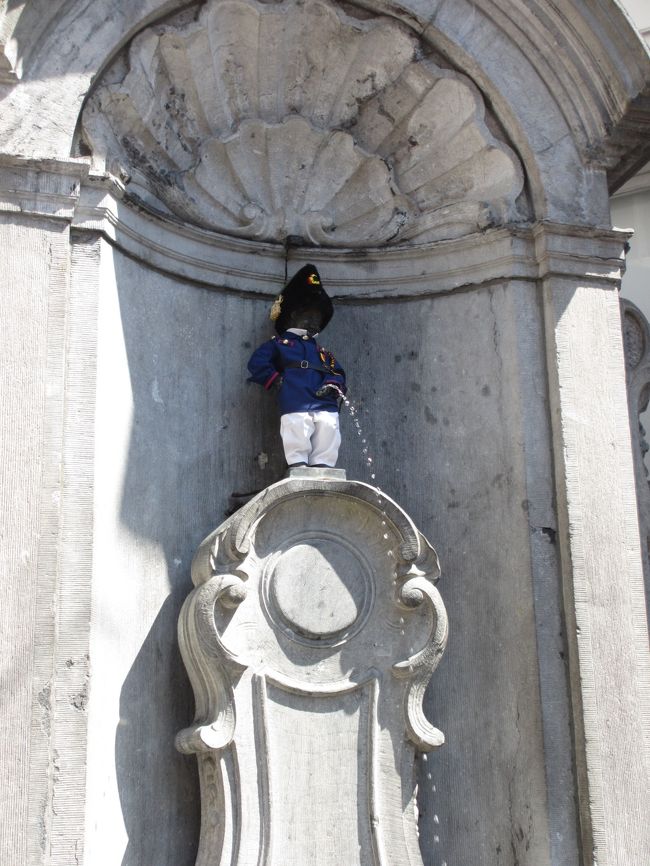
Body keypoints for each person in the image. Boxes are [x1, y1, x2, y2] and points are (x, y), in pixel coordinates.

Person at [247, 264, 346, 468]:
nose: (315, 323)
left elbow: (337, 371)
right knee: (297, 424)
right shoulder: (280, 344)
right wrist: (277, 380)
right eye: (310, 316)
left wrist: (332, 385)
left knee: (328, 424)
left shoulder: (321, 351)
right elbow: (257, 362)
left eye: (318, 319)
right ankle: (298, 463)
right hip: (296, 394)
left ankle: (323, 464)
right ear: (293, 315)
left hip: (323, 398)